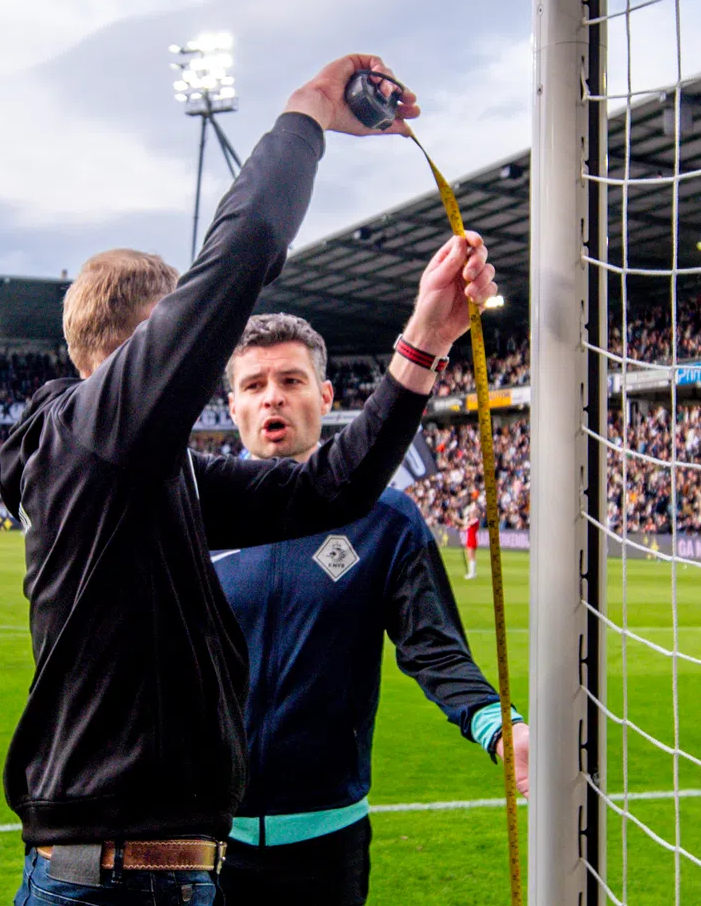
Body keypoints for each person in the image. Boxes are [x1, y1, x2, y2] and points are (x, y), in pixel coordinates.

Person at [0, 54, 493, 906]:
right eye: (184, 338)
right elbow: (243, 250)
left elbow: (329, 490)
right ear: (147, 348)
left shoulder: (161, 477)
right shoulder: (91, 439)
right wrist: (309, 110)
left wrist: (422, 342)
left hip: (167, 871)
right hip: (109, 882)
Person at [212, 314, 528, 906]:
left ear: (326, 396)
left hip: (328, 845)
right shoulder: (191, 514)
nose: (272, 396)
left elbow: (433, 646)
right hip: (202, 843)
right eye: (253, 385)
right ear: (234, 406)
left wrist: (498, 726)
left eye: (291, 380)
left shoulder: (385, 518)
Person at [463, 504, 481, 581]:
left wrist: (464, 519)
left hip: (472, 539)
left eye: (470, 514)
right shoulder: (472, 520)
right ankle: (473, 572)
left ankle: (472, 573)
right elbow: (464, 527)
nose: (470, 515)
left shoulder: (475, 520)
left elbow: (467, 524)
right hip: (470, 539)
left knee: (471, 556)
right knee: (471, 556)